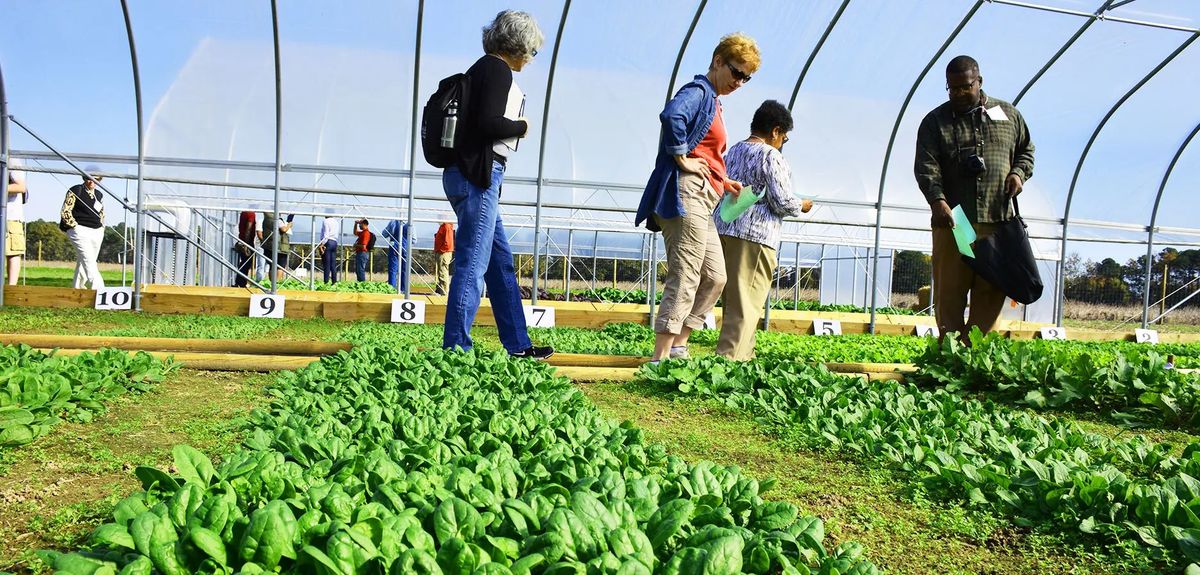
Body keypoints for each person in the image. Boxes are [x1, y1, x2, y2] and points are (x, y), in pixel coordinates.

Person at [635, 33, 760, 362]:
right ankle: (660, 356)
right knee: (686, 272)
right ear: (718, 61)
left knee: (715, 276)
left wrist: (725, 179)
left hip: (705, 198)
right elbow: (672, 116)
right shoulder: (699, 91)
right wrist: (681, 157)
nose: (741, 82)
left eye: (747, 78)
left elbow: (705, 150)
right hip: (685, 193)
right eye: (737, 73)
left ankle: (679, 344)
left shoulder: (715, 101)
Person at [442, 10, 552, 360]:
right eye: (532, 52)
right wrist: (520, 126)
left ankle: (518, 345)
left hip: (469, 174)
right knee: (473, 264)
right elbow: (489, 123)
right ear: (518, 45)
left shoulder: (480, 69)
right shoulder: (497, 69)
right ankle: (456, 349)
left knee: (499, 262)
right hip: (479, 178)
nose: (530, 59)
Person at [916, 55, 1035, 343]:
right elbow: (926, 165)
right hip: (957, 221)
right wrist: (938, 201)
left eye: (965, 87)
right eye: (952, 88)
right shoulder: (936, 121)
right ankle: (949, 354)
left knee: (990, 290)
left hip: (998, 222)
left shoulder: (1008, 114)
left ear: (979, 81)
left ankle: (976, 352)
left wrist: (1018, 174)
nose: (958, 93)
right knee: (950, 290)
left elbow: (1026, 152)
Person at [715, 101, 813, 360]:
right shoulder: (771, 155)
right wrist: (801, 205)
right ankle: (729, 363)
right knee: (747, 303)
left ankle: (744, 358)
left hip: (725, 229)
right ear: (775, 131)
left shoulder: (734, 151)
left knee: (733, 302)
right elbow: (781, 200)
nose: (783, 142)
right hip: (755, 236)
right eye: (785, 137)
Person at [59, 168, 106, 289]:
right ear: (84, 179)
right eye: (88, 178)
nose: (91, 182)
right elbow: (66, 210)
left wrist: (102, 226)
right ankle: (100, 290)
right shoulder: (76, 190)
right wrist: (73, 226)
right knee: (89, 261)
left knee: (84, 261)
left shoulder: (99, 195)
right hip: (79, 230)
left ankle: (77, 288)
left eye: (95, 179)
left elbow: (101, 212)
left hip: (97, 231)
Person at [5, 159, 27, 286]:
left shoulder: (11, 160)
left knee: (12, 253)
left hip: (10, 216)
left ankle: (11, 289)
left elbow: (21, 186)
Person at [261, 211, 293, 282]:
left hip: (269, 246)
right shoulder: (277, 220)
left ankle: (271, 283)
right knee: (280, 266)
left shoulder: (266, 220)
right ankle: (277, 284)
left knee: (272, 266)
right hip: (280, 247)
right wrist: (289, 225)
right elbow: (283, 229)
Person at [383, 219, 409, 292]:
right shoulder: (409, 223)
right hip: (405, 248)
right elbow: (414, 239)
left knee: (392, 269)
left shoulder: (392, 222)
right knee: (404, 269)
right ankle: (403, 289)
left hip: (393, 246)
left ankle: (392, 289)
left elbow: (384, 234)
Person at [234, 210, 257, 287]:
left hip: (242, 240)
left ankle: (239, 282)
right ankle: (241, 283)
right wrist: (246, 245)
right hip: (247, 241)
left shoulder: (244, 213)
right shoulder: (251, 214)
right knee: (246, 263)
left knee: (244, 262)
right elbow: (248, 229)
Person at [434, 221, 455, 295]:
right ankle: (439, 289)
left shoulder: (447, 226)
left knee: (443, 271)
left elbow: (448, 242)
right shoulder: (443, 226)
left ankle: (444, 292)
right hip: (440, 251)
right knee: (439, 271)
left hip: (444, 252)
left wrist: (441, 250)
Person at [318, 215, 340, 284]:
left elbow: (326, 235)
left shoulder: (326, 221)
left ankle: (326, 282)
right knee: (333, 264)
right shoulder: (336, 222)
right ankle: (334, 282)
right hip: (334, 242)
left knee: (326, 264)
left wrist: (322, 244)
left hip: (328, 242)